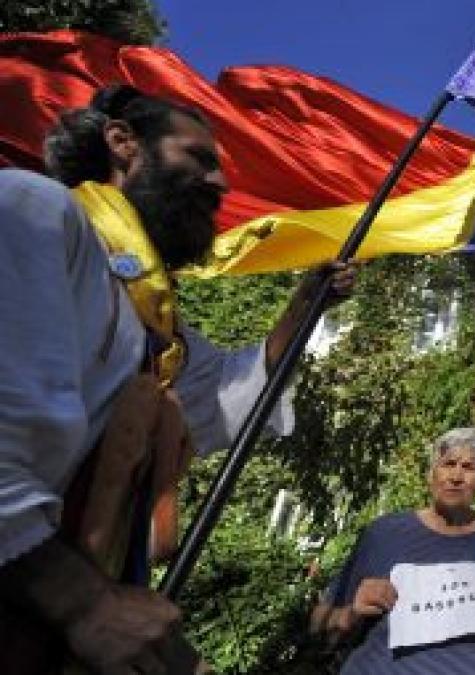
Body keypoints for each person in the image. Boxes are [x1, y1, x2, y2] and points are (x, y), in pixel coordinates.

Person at [0, 84, 354, 673]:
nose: (220, 184)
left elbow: (232, 395)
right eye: (199, 158)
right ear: (122, 143)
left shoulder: (159, 332)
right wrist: (83, 604)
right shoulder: (32, 212)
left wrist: (303, 307)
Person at [310, 428, 475, 674]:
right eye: (448, 464)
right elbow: (318, 624)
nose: (456, 476)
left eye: (469, 467)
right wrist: (353, 612)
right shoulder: (384, 534)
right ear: (431, 475)